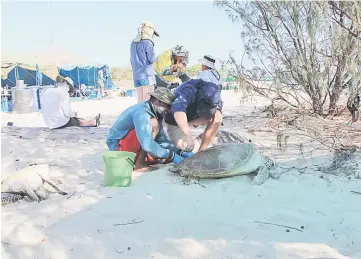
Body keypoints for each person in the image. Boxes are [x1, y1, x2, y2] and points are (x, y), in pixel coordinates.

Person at [106, 87, 194, 172]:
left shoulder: (154, 112)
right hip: (118, 150)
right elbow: (147, 144)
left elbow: (161, 140)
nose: (168, 111)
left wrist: (179, 152)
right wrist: (172, 156)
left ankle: (140, 160)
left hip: (130, 145)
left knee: (164, 156)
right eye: (168, 107)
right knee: (153, 124)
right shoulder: (142, 113)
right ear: (160, 102)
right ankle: (139, 165)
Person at [164, 79, 223, 152]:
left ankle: (202, 151)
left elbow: (217, 120)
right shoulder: (189, 90)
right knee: (179, 150)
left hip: (194, 116)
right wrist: (188, 136)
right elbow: (178, 111)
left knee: (216, 118)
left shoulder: (215, 94)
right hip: (174, 117)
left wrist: (201, 150)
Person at [130, 21, 159, 103]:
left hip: (136, 76)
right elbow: (151, 59)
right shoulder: (148, 42)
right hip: (147, 75)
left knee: (140, 101)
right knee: (147, 101)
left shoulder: (133, 43)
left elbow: (131, 60)